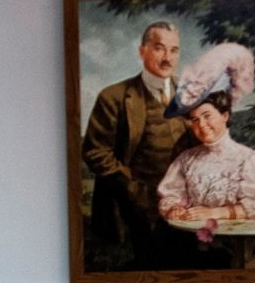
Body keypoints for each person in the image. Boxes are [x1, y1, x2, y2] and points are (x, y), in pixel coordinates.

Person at [80, 20, 194, 269]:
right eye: (159, 48)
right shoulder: (114, 97)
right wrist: (136, 192)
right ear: (142, 51)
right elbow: (95, 152)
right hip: (137, 208)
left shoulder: (189, 95)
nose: (168, 58)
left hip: (186, 206)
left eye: (174, 50)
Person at [157, 91, 255, 226]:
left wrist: (215, 213)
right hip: (192, 239)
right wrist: (175, 209)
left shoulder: (250, 160)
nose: (202, 124)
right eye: (195, 120)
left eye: (207, 116)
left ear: (225, 116)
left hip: (239, 240)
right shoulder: (186, 159)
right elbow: (171, 194)